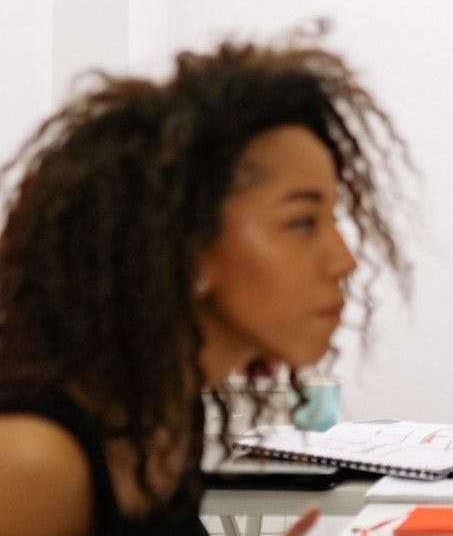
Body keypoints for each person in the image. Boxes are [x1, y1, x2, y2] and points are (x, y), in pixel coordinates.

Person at [0, 31, 410, 534]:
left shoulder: (166, 418)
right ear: (188, 247)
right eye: (303, 222)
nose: (344, 260)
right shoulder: (33, 462)